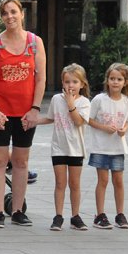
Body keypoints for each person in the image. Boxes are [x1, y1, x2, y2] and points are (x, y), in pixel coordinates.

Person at [0, 0, 46, 229]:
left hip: (26, 113)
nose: (10, 16)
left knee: (21, 160)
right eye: (5, 13)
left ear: (22, 14)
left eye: (13, 12)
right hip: (0, 112)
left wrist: (35, 109)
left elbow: (41, 78)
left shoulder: (34, 42)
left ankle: (18, 210)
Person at [38, 63, 91, 231]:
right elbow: (51, 118)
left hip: (76, 149)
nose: (71, 86)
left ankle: (75, 216)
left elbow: (78, 121)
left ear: (82, 84)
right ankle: (58, 215)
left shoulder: (84, 103)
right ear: (62, 83)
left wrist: (70, 103)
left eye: (75, 82)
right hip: (58, 148)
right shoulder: (56, 99)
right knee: (60, 183)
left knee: (75, 184)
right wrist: (33, 121)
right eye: (67, 82)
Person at [87, 63, 128, 229]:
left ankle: (120, 214)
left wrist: (124, 130)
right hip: (101, 146)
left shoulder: (127, 101)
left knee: (119, 181)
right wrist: (104, 127)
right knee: (103, 180)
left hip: (117, 147)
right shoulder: (99, 99)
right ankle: (100, 214)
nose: (115, 82)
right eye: (112, 79)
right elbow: (89, 119)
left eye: (119, 79)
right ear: (107, 80)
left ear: (126, 82)